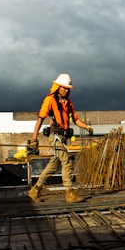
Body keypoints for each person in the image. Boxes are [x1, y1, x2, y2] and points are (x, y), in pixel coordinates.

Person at [27, 74, 94, 203]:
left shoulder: (69, 103)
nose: (66, 91)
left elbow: (75, 119)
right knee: (67, 161)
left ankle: (35, 189)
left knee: (53, 165)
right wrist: (34, 139)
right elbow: (40, 119)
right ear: (57, 87)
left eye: (68, 89)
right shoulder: (50, 100)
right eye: (63, 88)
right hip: (55, 137)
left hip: (63, 137)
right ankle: (70, 193)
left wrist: (86, 127)